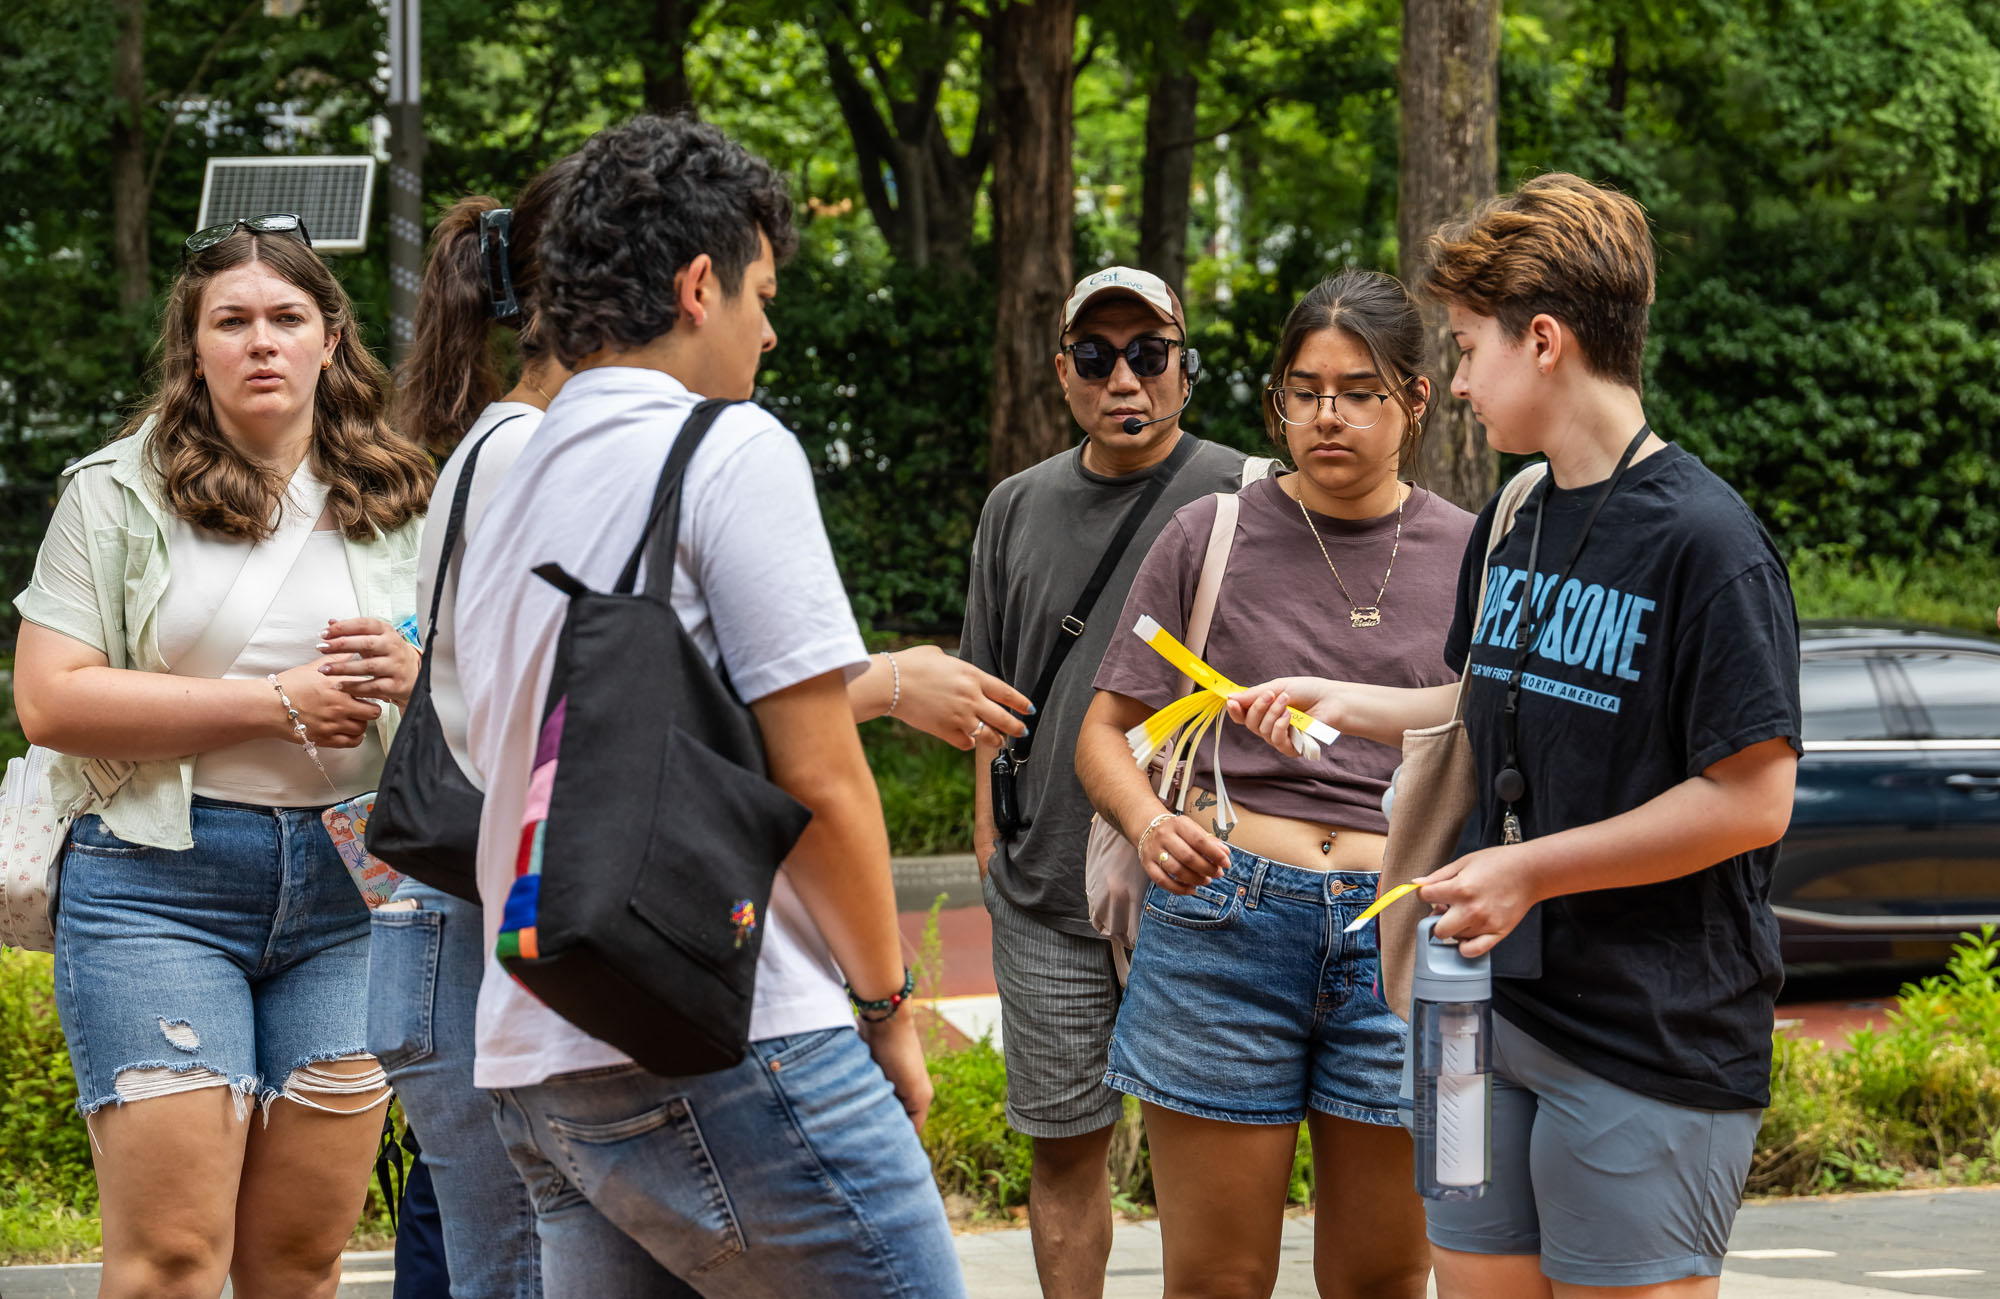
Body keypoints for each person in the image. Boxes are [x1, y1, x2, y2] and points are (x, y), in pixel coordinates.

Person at [371, 148, 1028, 1299]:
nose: (767, 336)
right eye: (761, 298)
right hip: (729, 1023)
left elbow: (489, 751)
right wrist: (884, 1006)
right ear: (695, 288)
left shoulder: (498, 471)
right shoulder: (727, 446)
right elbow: (819, 778)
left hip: (537, 1049)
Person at [1233, 174, 1802, 1299]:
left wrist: (1528, 873)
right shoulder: (1515, 514)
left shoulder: (1706, 543)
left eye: (1462, 346)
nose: (1452, 380)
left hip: (1646, 1040)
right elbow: (1491, 700)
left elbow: (1749, 798)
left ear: (1541, 341)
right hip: (1476, 1021)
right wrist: (1349, 700)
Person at [13, 215, 433, 1299]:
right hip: (159, 885)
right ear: (192, 345)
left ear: (330, 338)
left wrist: (415, 680)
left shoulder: (405, 494)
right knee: (170, 1263)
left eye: (287, 318)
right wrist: (274, 704)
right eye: (231, 321)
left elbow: (492, 687)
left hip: (356, 892)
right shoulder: (114, 492)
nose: (262, 342)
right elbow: (49, 699)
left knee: (297, 1264)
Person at [1077, 269, 1468, 1299]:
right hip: (1220, 920)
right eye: (1302, 390)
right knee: (1215, 1278)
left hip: (1401, 927)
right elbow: (1103, 732)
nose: (1325, 415)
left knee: (1384, 1277)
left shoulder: (1473, 554)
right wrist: (1145, 818)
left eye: (1358, 391)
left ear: (1415, 400)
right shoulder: (1208, 534)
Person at [961, 265, 1258, 1298]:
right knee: (1062, 1146)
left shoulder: (1249, 491)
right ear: (1063, 372)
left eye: (1147, 354)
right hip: (1045, 887)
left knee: (1205, 1155)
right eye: (1095, 357)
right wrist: (990, 833)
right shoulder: (1016, 507)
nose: (1121, 379)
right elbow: (986, 686)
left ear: (1182, 366)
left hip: (1196, 880)